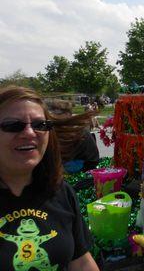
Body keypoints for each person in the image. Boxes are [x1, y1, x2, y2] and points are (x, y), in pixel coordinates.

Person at [0, 86, 98, 271]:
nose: (30, 133)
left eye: (40, 125)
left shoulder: (61, 191)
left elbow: (81, 262)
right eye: (13, 125)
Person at [46, 99, 100, 172]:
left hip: (81, 171)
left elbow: (92, 160)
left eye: (58, 113)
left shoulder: (80, 132)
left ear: (68, 114)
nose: (53, 116)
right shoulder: (49, 131)